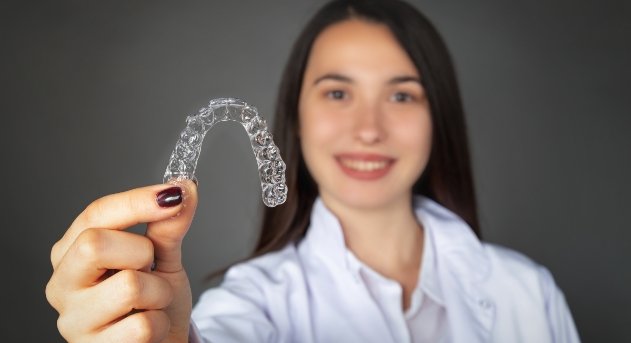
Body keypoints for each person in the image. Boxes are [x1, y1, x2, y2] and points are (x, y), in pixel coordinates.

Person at [45, 0, 580, 342]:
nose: (368, 128)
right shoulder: (253, 302)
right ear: (296, 115)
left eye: (401, 94)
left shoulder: (529, 294)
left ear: (437, 116)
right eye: (338, 93)